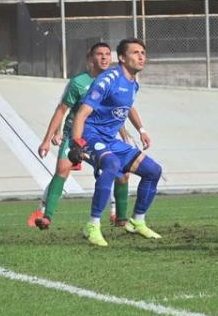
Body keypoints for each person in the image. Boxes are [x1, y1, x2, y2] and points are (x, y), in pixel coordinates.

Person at [68, 38, 163, 246]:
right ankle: (92, 225)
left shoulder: (133, 84)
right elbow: (81, 114)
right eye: (135, 52)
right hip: (91, 135)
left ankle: (137, 222)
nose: (141, 57)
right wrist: (76, 144)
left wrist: (141, 130)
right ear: (121, 58)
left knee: (153, 171)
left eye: (143, 53)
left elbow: (127, 108)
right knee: (112, 164)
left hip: (110, 140)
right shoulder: (108, 79)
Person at [28, 42, 122, 229]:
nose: (104, 57)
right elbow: (61, 110)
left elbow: (116, 112)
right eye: (99, 54)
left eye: (107, 54)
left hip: (99, 135)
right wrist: (47, 140)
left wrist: (126, 133)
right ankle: (46, 215)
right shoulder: (79, 82)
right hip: (74, 134)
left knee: (113, 169)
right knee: (62, 169)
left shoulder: (114, 81)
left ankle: (116, 213)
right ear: (90, 59)